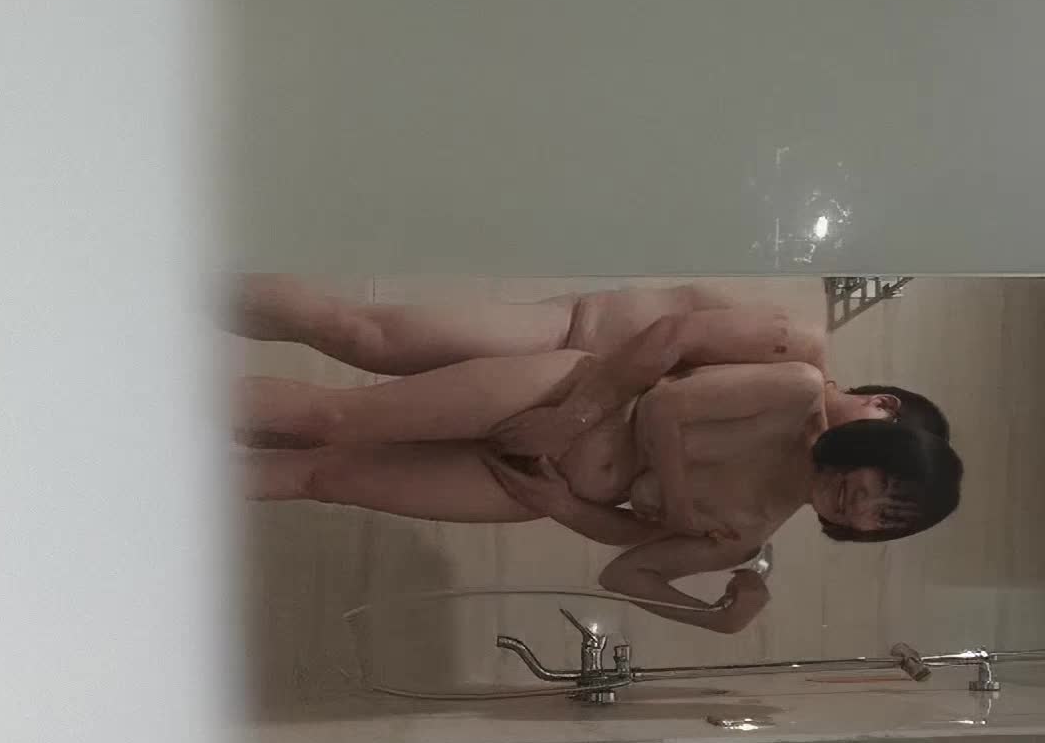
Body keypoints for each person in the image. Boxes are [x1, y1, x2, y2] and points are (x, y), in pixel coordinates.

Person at [233, 330, 964, 635]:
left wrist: (714, 617)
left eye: (885, 517)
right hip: (557, 401)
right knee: (334, 418)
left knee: (325, 477)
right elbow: (668, 406)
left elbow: (628, 568)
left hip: (536, 485)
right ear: (879, 446)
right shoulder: (796, 391)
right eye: (884, 483)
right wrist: (680, 506)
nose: (865, 502)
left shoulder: (746, 535)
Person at [229, 273, 952, 445]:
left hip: (554, 409)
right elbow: (669, 339)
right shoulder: (801, 349)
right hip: (563, 339)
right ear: (882, 402)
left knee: (344, 428)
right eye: (881, 440)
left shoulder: (785, 436)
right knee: (363, 338)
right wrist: (575, 417)